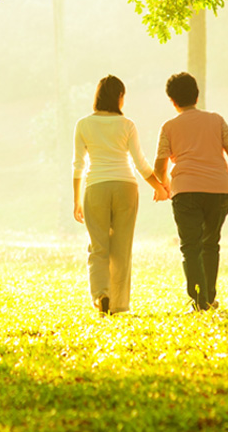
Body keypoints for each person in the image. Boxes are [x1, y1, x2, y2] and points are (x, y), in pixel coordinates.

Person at [73, 75, 169, 316]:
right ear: (119, 97)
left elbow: (78, 165)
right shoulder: (127, 125)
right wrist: (158, 186)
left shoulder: (83, 124)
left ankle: (100, 295)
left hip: (96, 186)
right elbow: (140, 164)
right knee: (121, 248)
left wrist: (76, 200)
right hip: (126, 186)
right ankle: (119, 305)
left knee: (98, 247)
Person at [153, 72, 228, 312]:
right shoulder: (217, 120)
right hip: (219, 190)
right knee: (211, 243)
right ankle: (209, 297)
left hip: (185, 191)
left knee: (190, 247)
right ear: (197, 95)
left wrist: (163, 187)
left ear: (172, 101)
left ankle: (199, 300)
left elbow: (160, 164)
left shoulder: (169, 127)